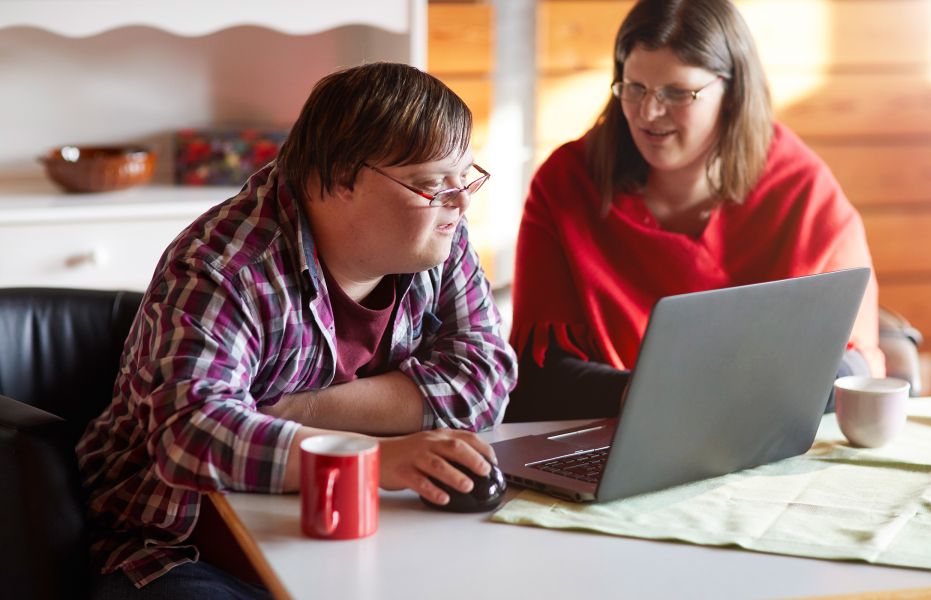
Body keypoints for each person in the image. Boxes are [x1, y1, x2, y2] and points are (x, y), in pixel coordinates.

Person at [77, 62, 517, 597]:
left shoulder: (437, 234)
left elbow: (485, 380)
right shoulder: (224, 266)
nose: (461, 200)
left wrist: (297, 410)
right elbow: (190, 434)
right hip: (176, 542)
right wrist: (373, 458)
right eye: (432, 184)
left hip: (359, 522)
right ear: (336, 179)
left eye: (465, 176)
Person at [506, 0, 883, 422]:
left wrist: (706, 399)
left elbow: (854, 365)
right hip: (611, 434)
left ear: (732, 92)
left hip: (764, 436)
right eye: (634, 87)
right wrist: (668, 399)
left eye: (677, 93)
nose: (649, 113)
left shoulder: (802, 188)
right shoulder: (567, 183)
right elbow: (537, 377)